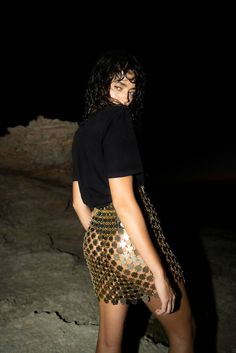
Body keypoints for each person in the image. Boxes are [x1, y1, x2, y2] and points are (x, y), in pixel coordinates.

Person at [71, 50, 195, 353]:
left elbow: (78, 203)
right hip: (128, 238)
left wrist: (104, 242)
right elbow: (124, 200)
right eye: (118, 86)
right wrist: (157, 272)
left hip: (98, 240)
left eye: (132, 90)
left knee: (108, 342)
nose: (126, 98)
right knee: (184, 331)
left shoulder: (83, 131)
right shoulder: (118, 119)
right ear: (101, 85)